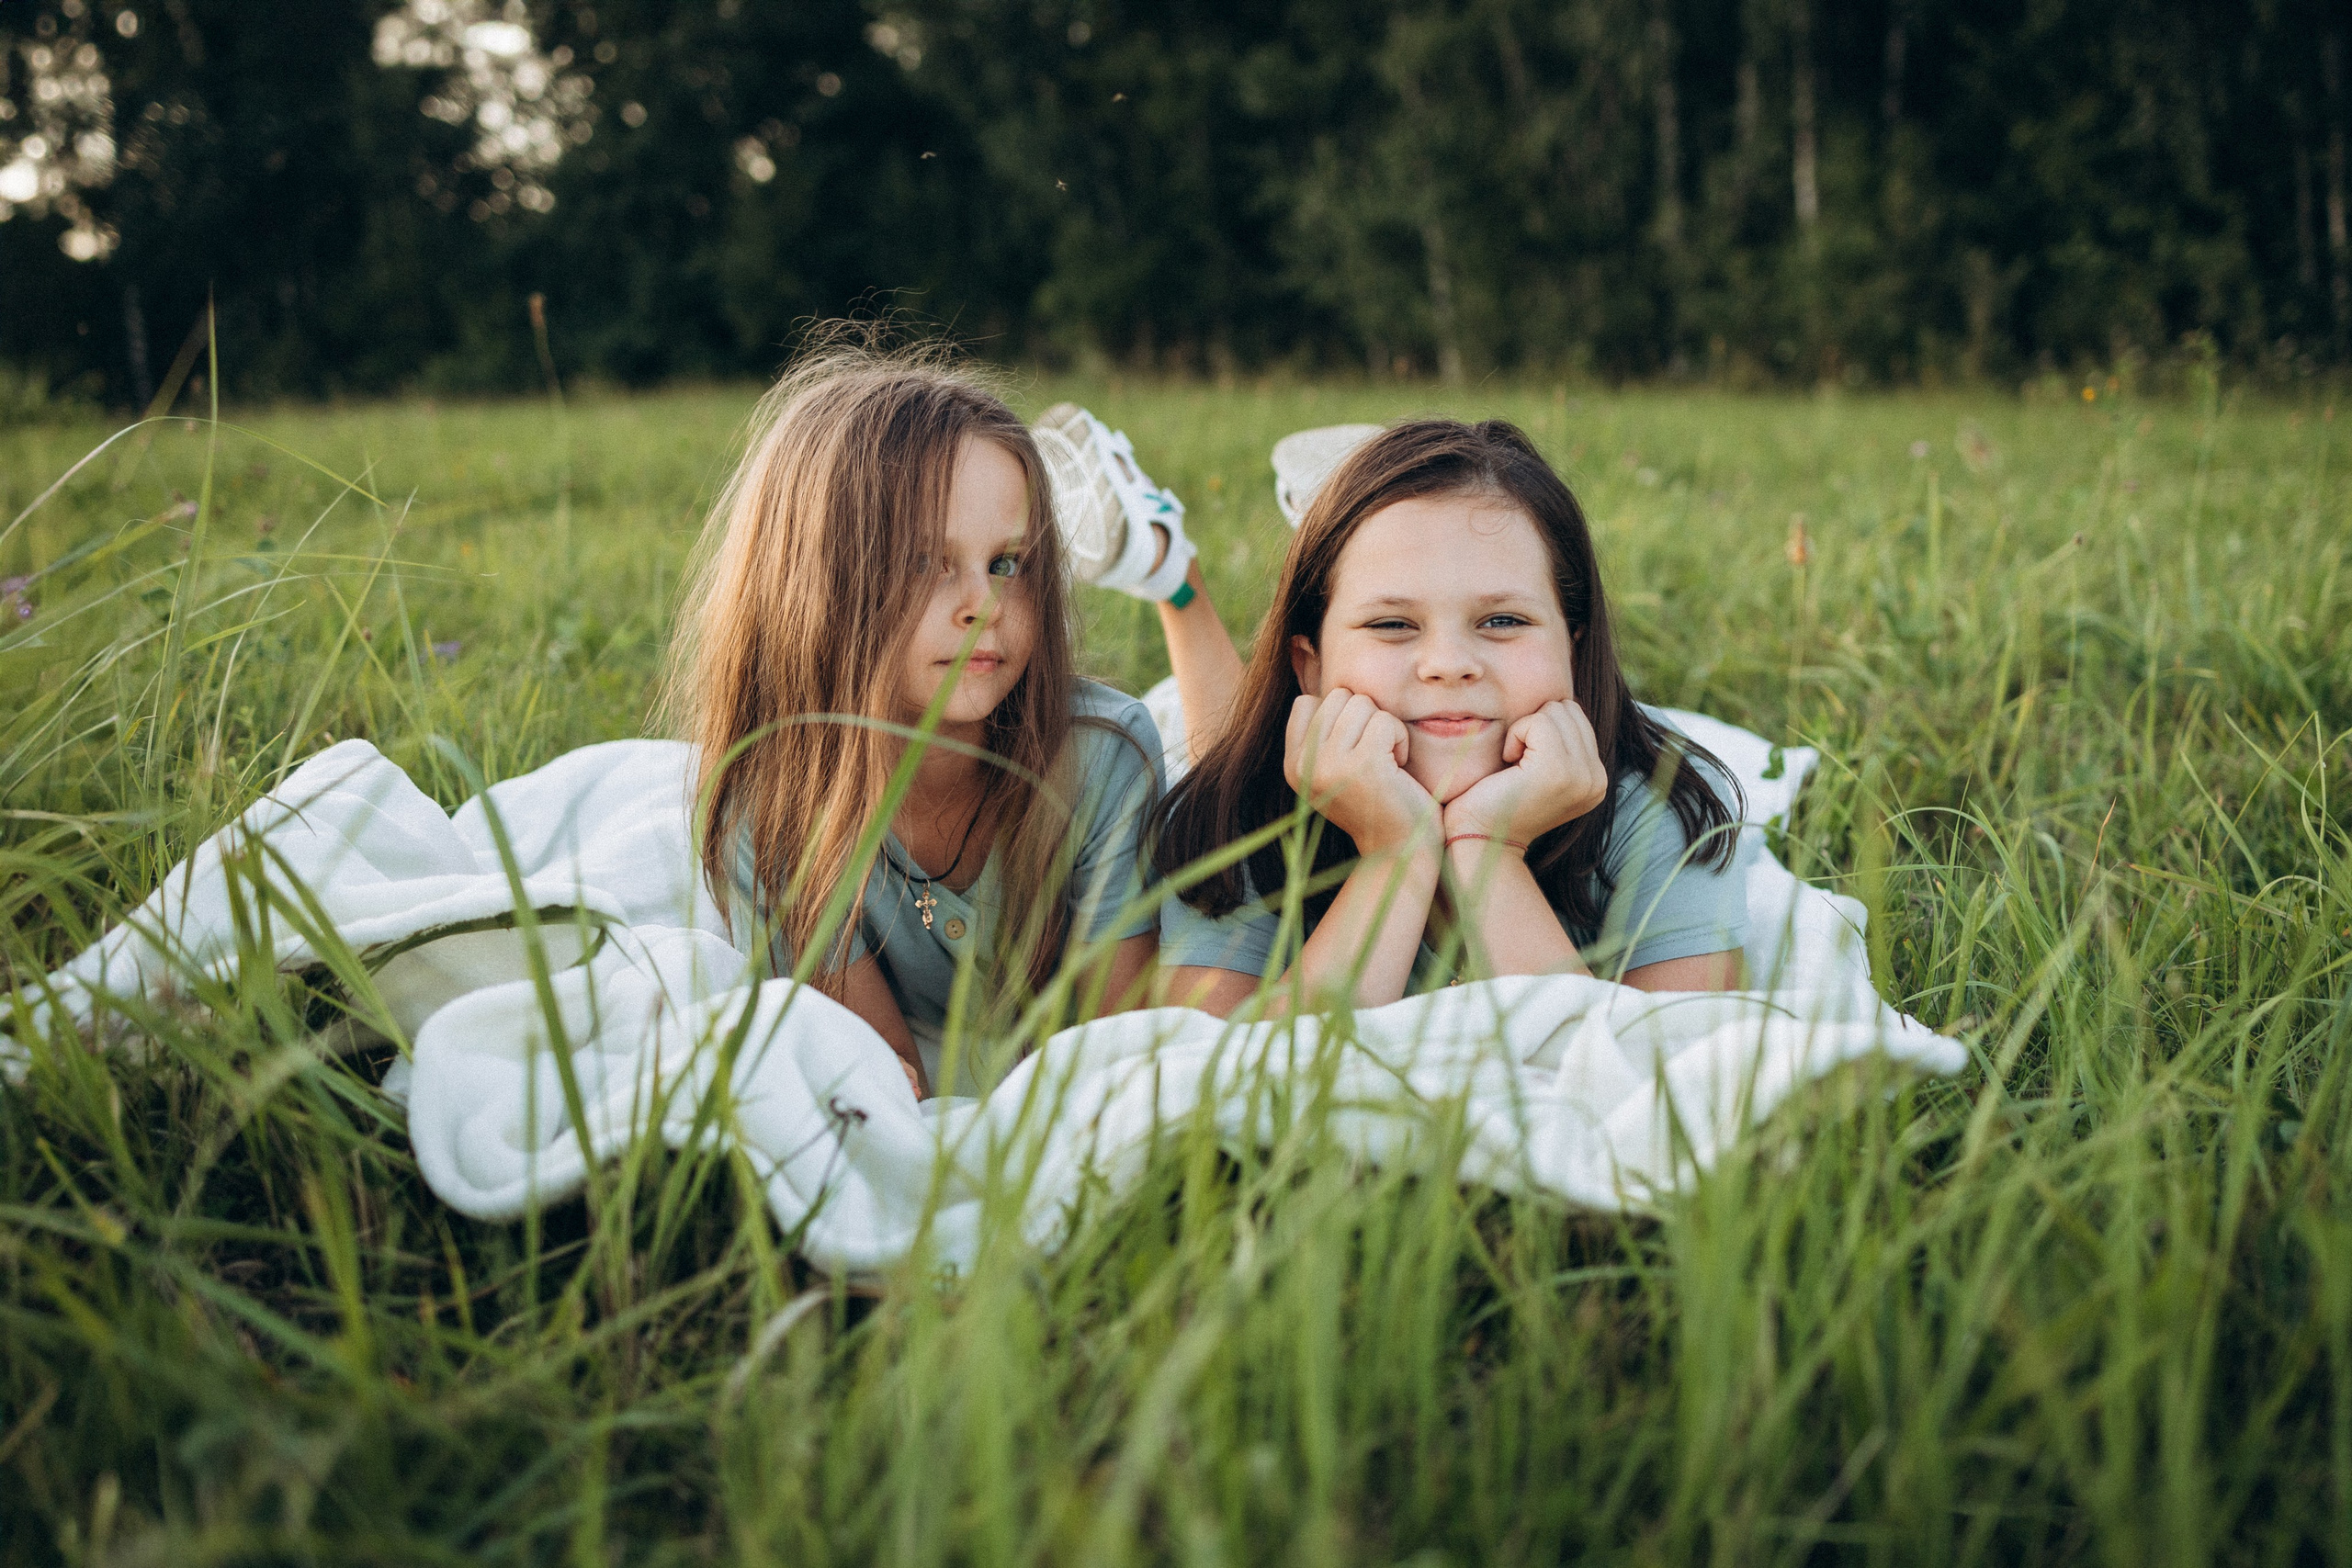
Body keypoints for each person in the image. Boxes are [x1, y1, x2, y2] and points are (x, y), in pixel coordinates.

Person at [1075, 414, 1749, 1016]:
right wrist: (1393, 855)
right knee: (1225, 742)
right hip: (1278, 736)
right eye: (1394, 622)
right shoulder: (1228, 820)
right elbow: (1217, 1088)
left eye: (1504, 619)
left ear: (1574, 646)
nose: (1449, 663)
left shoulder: (1667, 804)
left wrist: (1490, 847)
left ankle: (1371, 532)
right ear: (1308, 665)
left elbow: (1675, 1082)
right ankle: (1178, 574)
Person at [662, 343, 1163, 1099]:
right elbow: (889, 1091)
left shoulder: (1105, 759)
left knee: (1227, 763)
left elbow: (1104, 1067)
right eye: (926, 561)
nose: (983, 604)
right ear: (813, 585)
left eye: (1007, 563)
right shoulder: (769, 810)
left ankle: (1170, 570)